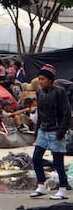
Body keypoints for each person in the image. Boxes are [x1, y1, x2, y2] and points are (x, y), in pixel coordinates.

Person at [30, 64, 71, 200]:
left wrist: (61, 131)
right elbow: (40, 113)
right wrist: (37, 130)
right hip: (43, 130)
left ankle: (63, 189)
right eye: (39, 79)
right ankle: (41, 185)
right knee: (36, 158)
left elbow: (66, 113)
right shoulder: (40, 92)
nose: (40, 81)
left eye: (43, 79)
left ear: (50, 80)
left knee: (58, 162)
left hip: (55, 131)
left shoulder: (59, 92)